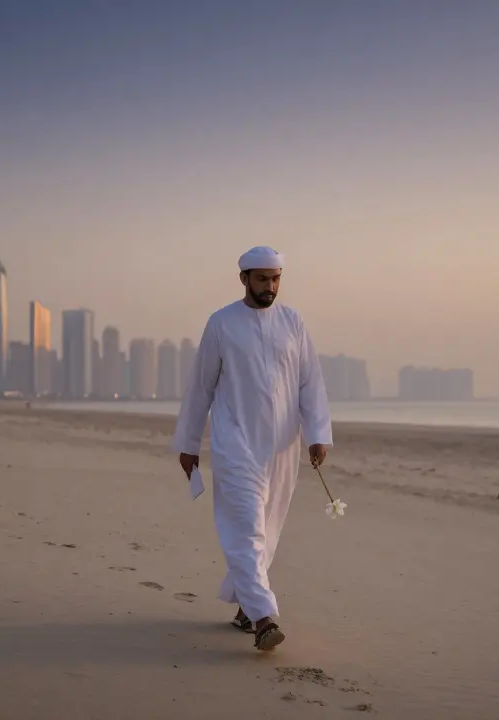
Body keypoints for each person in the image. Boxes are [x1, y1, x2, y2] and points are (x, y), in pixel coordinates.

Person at [171, 245, 333, 652]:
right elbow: (201, 387)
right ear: (243, 278)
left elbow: (310, 383)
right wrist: (189, 442)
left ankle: (244, 602)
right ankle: (263, 618)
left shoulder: (293, 322)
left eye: (276, 278)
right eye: (262, 279)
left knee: (268, 527)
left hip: (281, 445)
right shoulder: (221, 324)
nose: (270, 286)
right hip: (234, 441)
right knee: (246, 525)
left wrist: (317, 433)